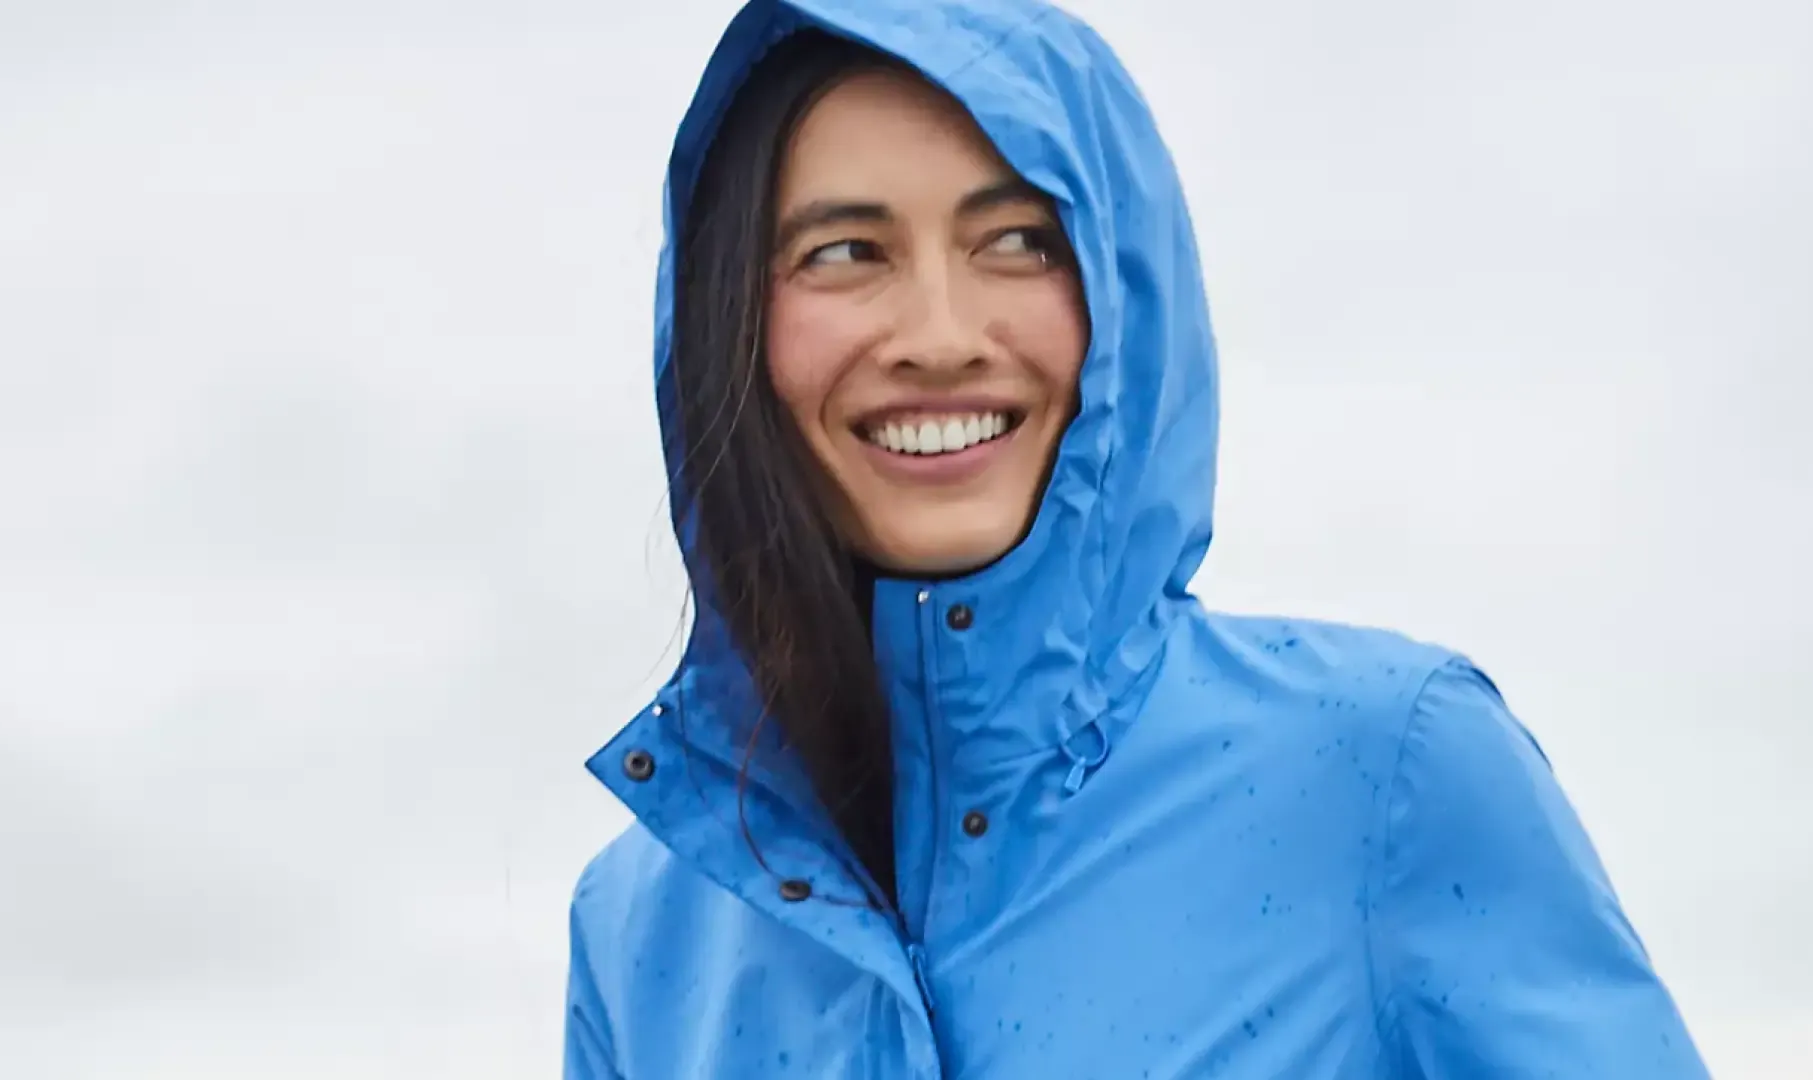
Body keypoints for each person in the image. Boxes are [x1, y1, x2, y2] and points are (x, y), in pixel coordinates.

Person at [564, 1, 1709, 1076]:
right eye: (845, 253)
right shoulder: (642, 927)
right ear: (730, 322)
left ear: (1126, 289)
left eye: (1015, 240)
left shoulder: (1386, 772)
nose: (940, 335)